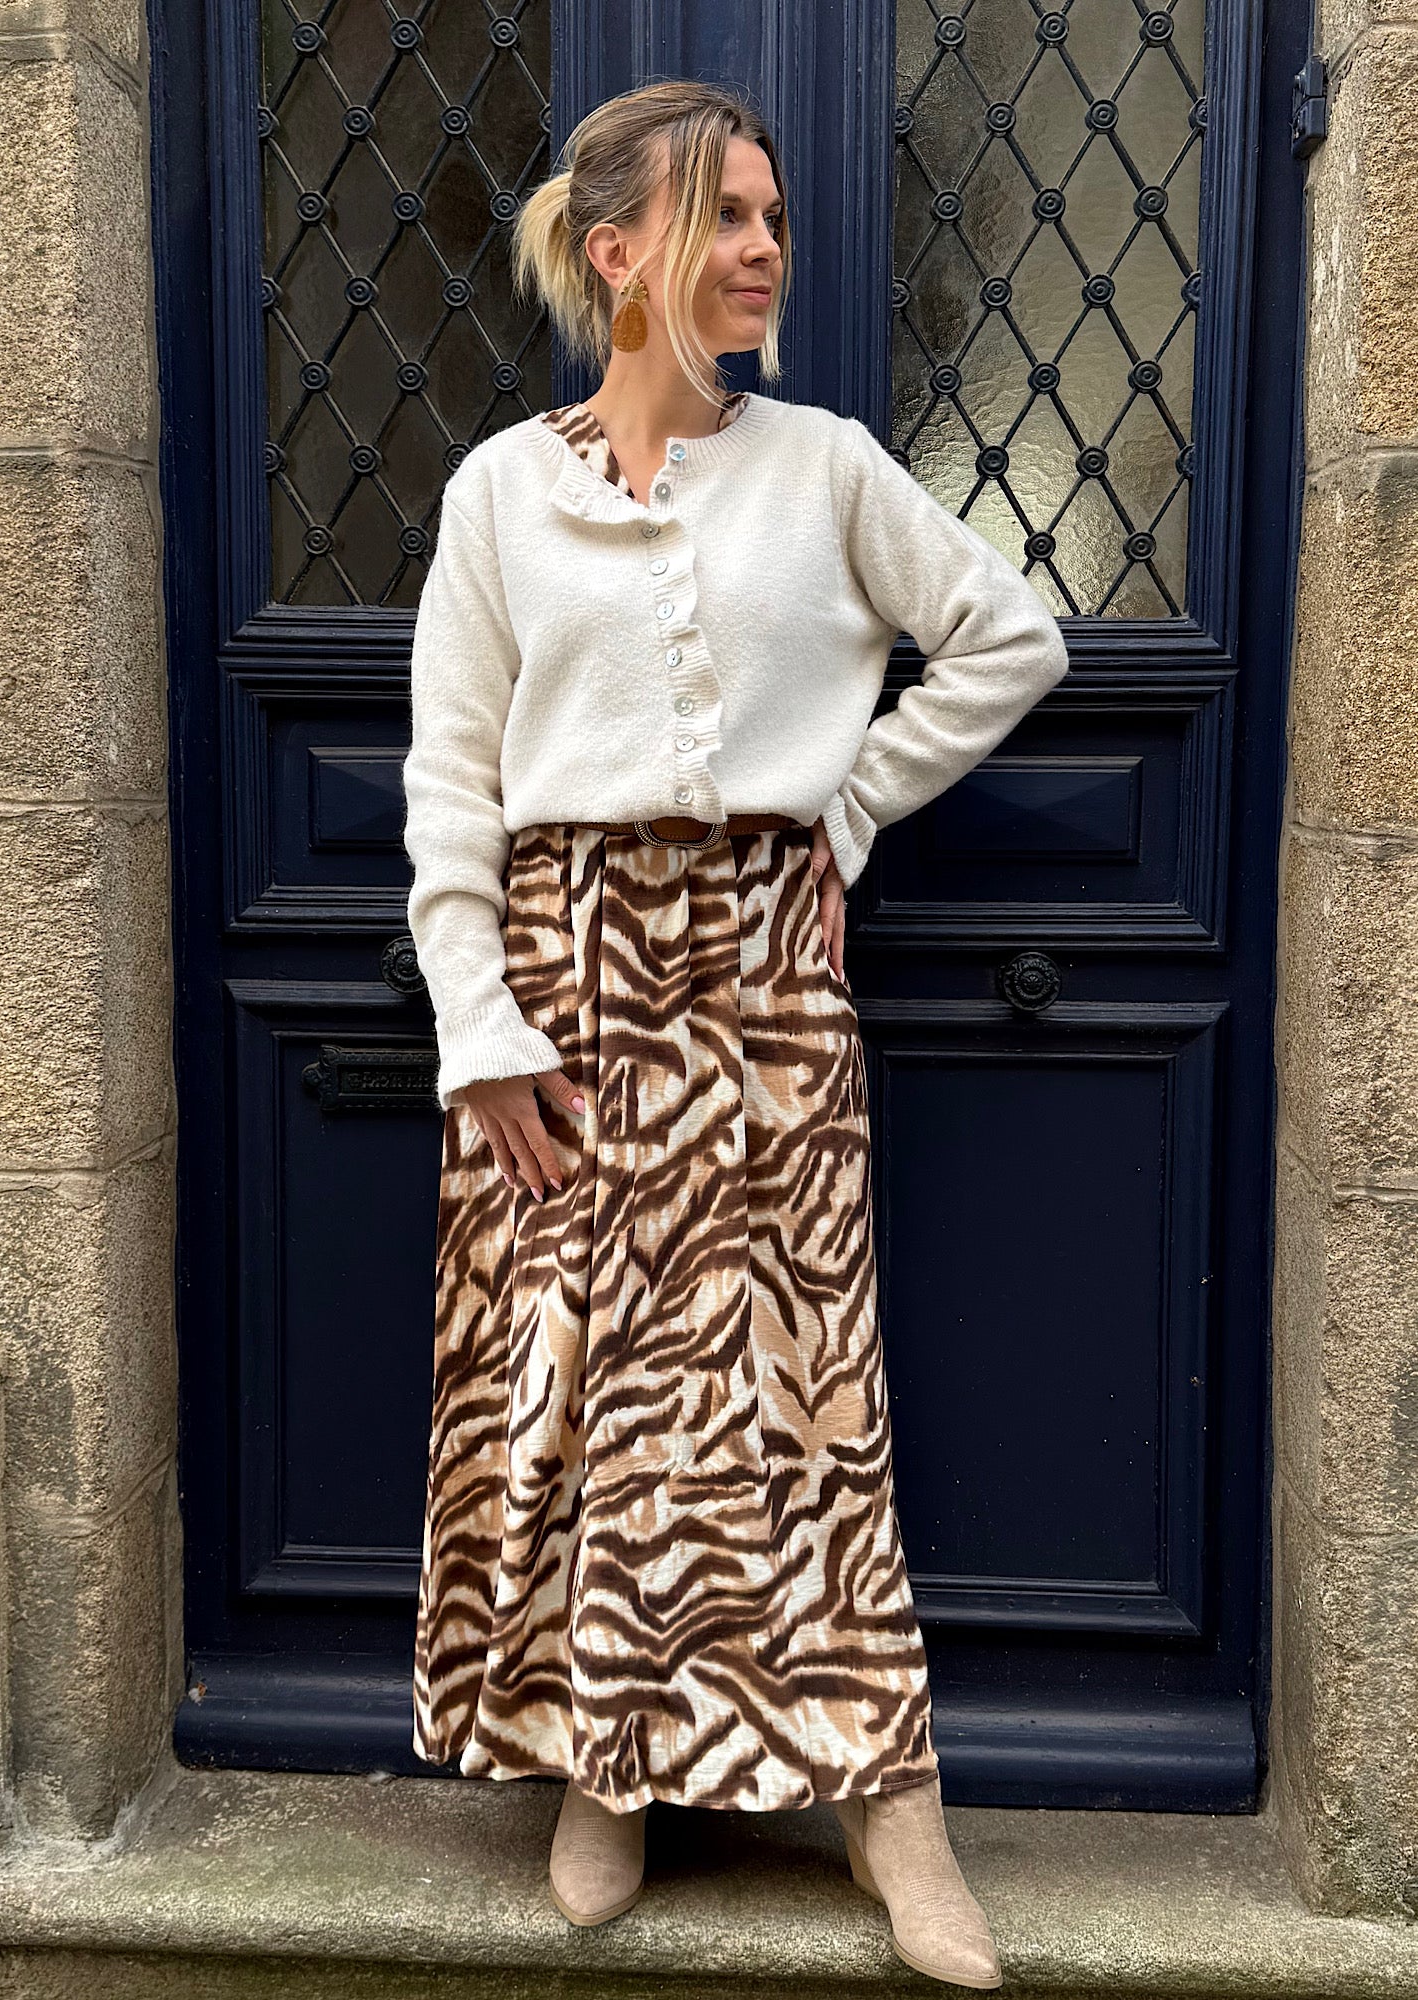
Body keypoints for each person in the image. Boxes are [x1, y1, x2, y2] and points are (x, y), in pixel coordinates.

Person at [400, 78, 1068, 1992]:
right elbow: (451, 785)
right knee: (574, 1386)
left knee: (802, 1390)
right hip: (558, 990)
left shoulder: (827, 470)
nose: (770, 248)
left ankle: (892, 1808)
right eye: (733, 218)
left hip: (767, 983)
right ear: (621, 254)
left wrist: (847, 807)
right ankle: (599, 1770)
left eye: (775, 217)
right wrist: (478, 1023)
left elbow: (1014, 639)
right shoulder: (498, 496)